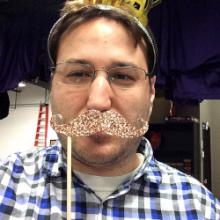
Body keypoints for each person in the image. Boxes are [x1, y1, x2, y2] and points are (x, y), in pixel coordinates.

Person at [0, 0, 220, 219]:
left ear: (151, 92)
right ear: (53, 82)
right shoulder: (6, 183)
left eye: (122, 76)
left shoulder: (199, 208)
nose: (98, 101)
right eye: (78, 74)